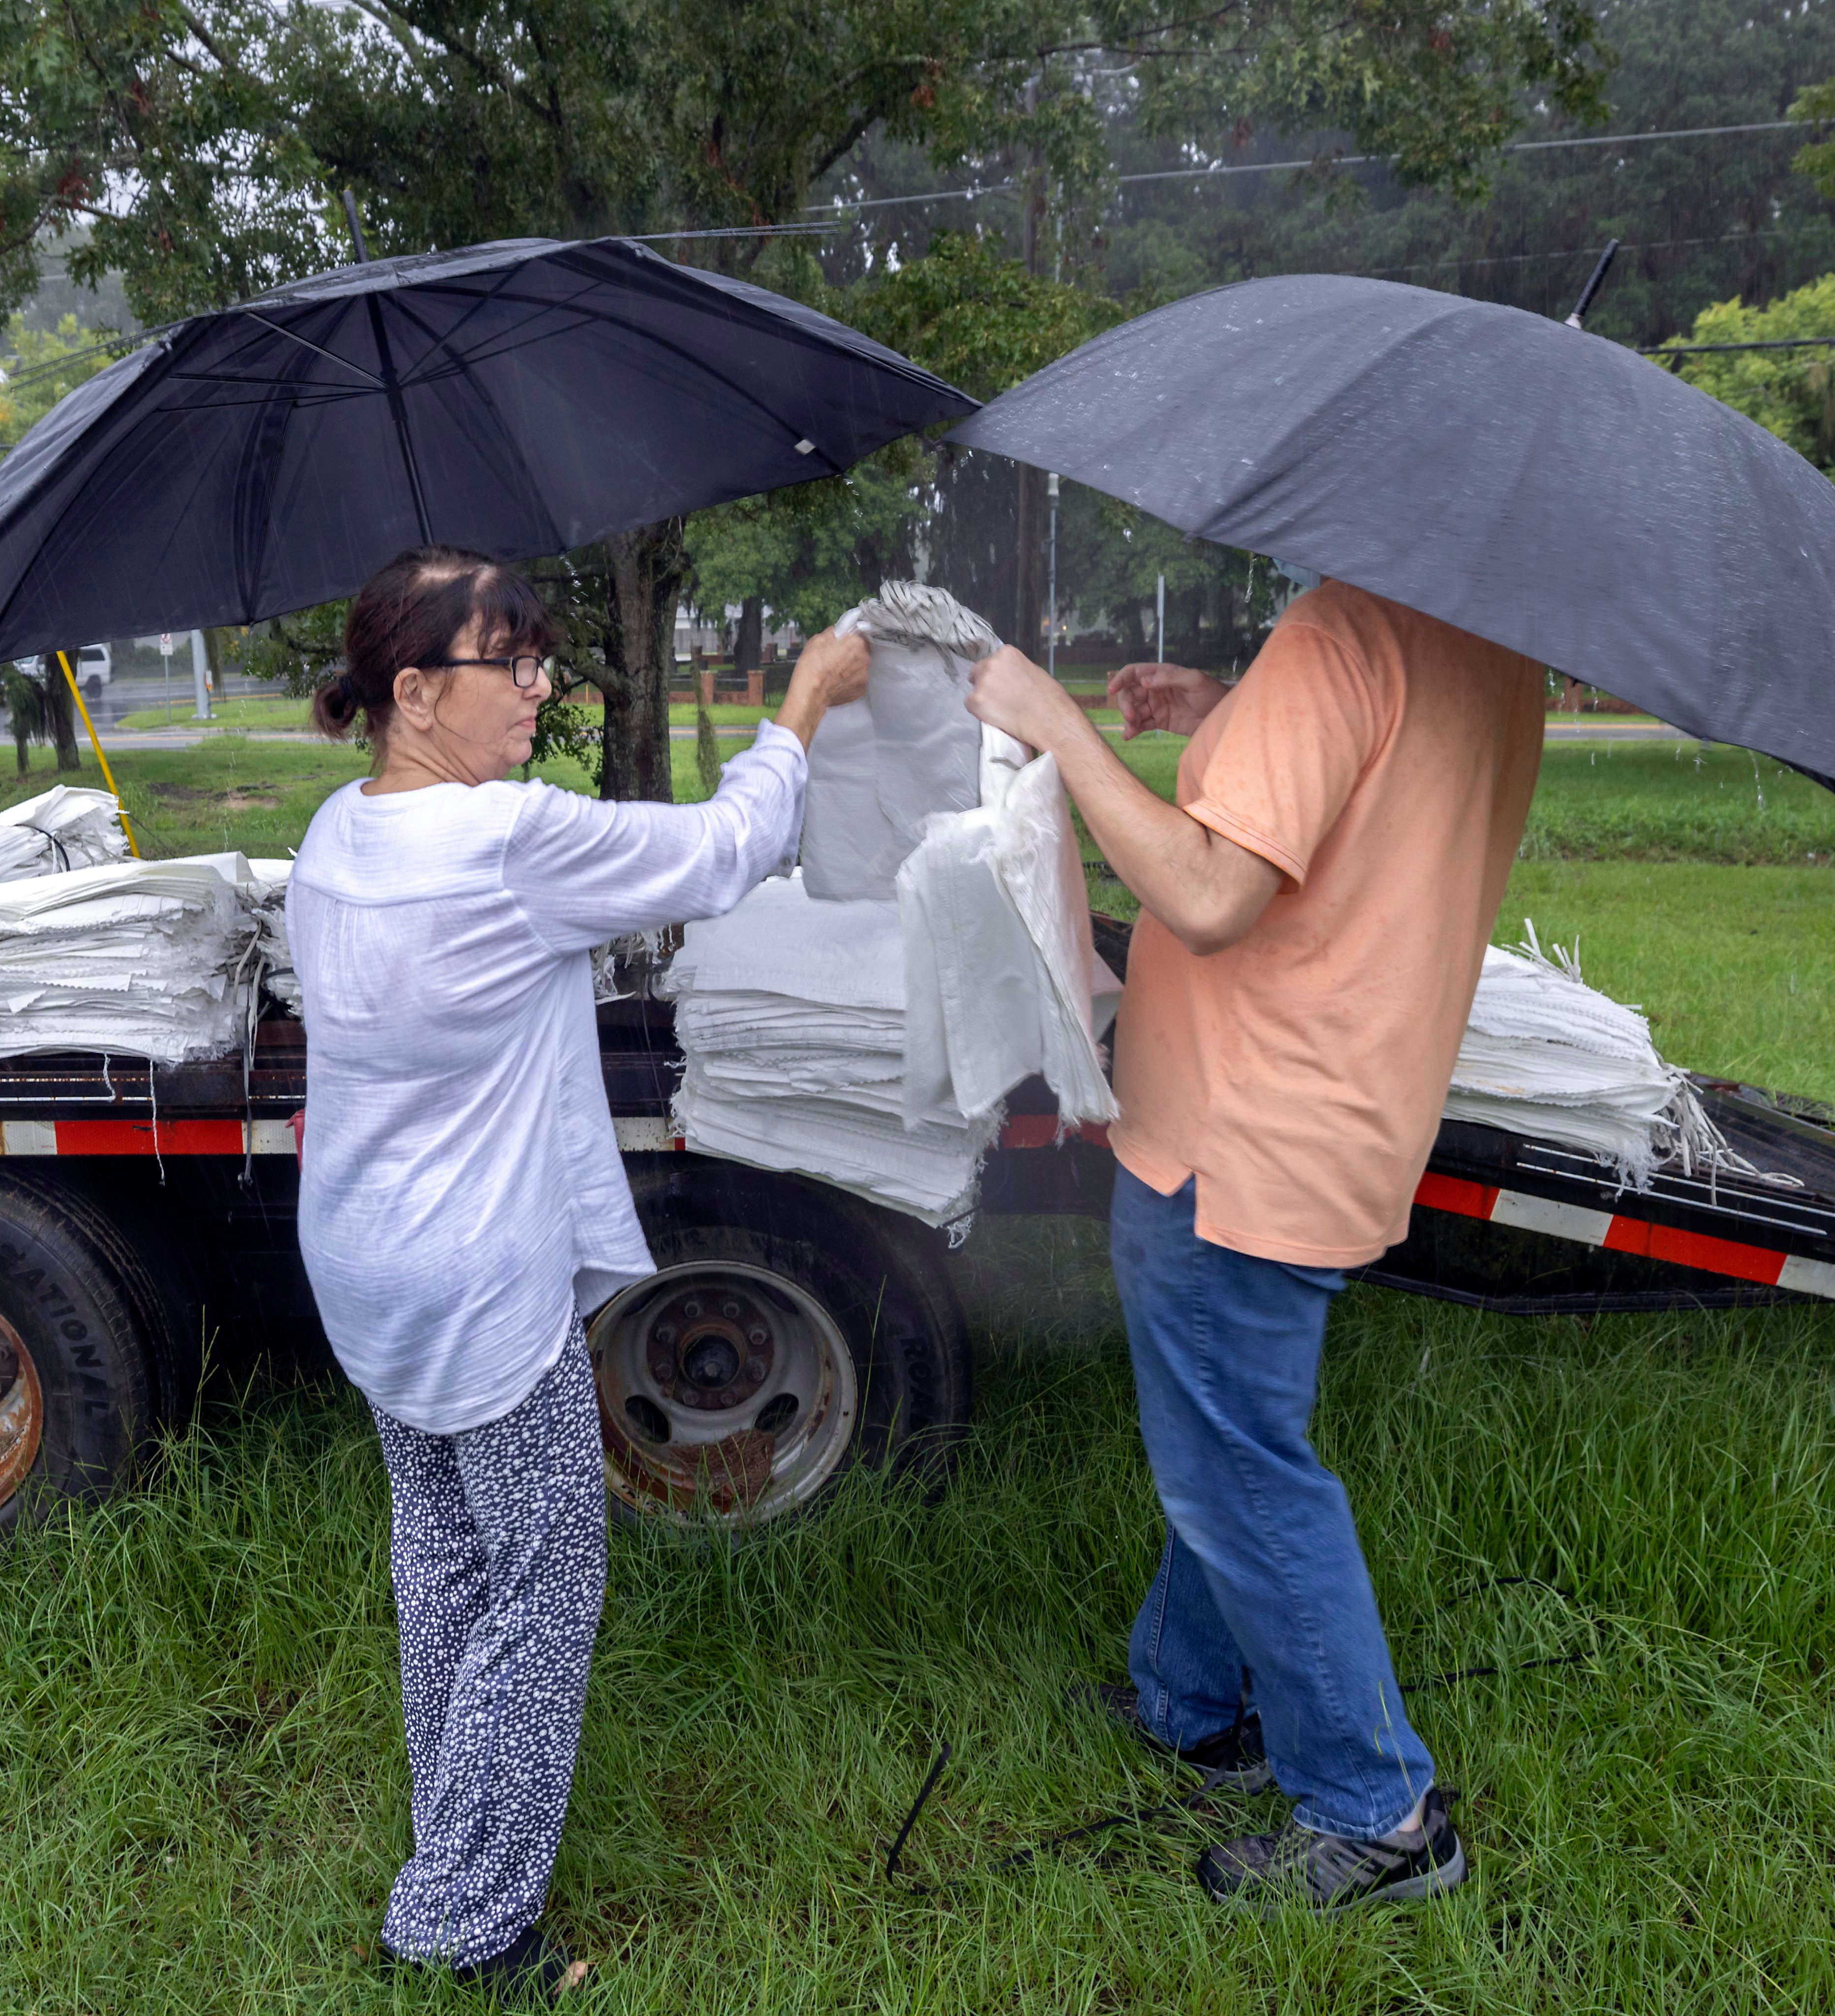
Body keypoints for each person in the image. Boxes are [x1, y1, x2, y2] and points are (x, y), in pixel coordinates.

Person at [287, 544, 869, 1999]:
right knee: (542, 1592)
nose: (540, 693)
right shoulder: (503, 840)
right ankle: (465, 1922)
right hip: (478, 1282)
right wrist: (800, 704)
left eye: (544, 662)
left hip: (365, 1256)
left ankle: (452, 1839)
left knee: (443, 1563)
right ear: (415, 692)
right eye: (515, 666)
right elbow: (724, 852)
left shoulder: (336, 832)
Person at [964, 574, 1544, 1911]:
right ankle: (1189, 1700)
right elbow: (1381, 790)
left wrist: (1057, 724)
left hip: (1241, 1130)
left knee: (1239, 1471)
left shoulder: (1346, 622)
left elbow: (1211, 895)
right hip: (1337, 1107)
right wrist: (1229, 714)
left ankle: (1374, 1811)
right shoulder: (1482, 631)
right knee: (1222, 1434)